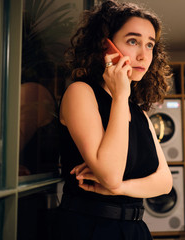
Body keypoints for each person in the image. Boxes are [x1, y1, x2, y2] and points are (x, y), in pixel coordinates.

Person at [57, 0, 173, 239]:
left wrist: (120, 188)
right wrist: (120, 95)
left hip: (135, 230)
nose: (144, 54)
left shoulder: (139, 113)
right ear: (105, 46)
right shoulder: (81, 93)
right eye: (133, 41)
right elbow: (110, 174)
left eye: (150, 45)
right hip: (88, 229)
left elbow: (164, 182)